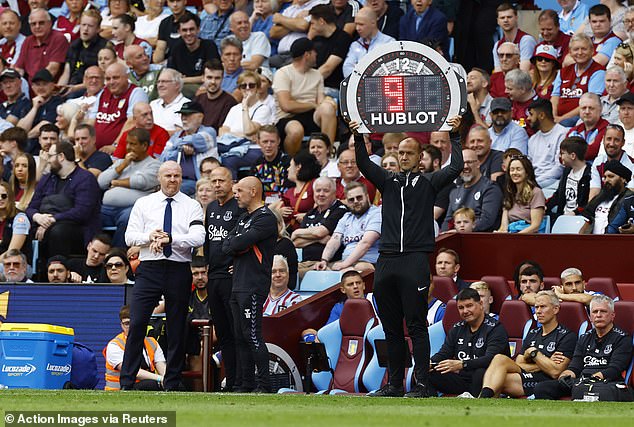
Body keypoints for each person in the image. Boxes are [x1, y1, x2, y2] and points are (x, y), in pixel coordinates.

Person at [352, 115, 463, 398]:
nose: (403, 157)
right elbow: (364, 164)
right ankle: (394, 385)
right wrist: (357, 137)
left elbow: (456, 167)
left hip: (414, 259)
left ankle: (422, 386)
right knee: (390, 326)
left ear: (420, 157)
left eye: (408, 153)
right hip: (387, 260)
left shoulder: (429, 182)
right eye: (399, 152)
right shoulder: (387, 181)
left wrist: (456, 136)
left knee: (416, 325)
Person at [121, 161, 205, 392]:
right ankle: (126, 382)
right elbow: (130, 237)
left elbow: (199, 236)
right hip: (149, 268)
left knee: (178, 326)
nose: (172, 179)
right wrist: (151, 236)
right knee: (137, 322)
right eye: (168, 175)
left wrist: (171, 239)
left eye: (177, 175)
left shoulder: (192, 205)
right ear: (159, 178)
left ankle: (172, 382)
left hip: (178, 268)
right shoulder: (144, 203)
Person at [222, 176, 277, 393]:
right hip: (238, 284)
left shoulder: (265, 218)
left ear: (253, 191)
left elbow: (237, 242)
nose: (235, 195)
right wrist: (238, 245)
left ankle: (265, 386)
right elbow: (227, 246)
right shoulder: (244, 218)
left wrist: (238, 244)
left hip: (253, 284)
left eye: (239, 191)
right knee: (239, 335)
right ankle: (246, 384)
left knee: (252, 334)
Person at [479, 290, 576, 398]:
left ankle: (483, 398)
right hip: (526, 375)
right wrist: (544, 362)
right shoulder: (533, 333)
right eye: (536, 307)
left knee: (497, 378)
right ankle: (485, 398)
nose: (538, 311)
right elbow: (519, 364)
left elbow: (555, 371)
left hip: (545, 381)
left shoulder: (567, 336)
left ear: (555, 309)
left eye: (543, 307)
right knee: (499, 359)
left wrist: (533, 353)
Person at [534, 295, 633, 400]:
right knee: (542, 388)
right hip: (581, 381)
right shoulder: (584, 338)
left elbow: (614, 370)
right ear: (590, 317)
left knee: (597, 390)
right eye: (595, 312)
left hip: (606, 382)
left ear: (612, 315)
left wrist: (591, 379)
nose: (598, 315)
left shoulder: (622, 338)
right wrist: (565, 376)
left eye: (603, 311)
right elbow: (575, 367)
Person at [26, 141, 101, 272]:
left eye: (50, 156)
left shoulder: (86, 178)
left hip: (77, 229)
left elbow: (82, 212)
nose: (48, 161)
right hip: (44, 224)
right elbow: (32, 206)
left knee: (58, 231)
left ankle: (59, 272)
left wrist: (52, 220)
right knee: (21, 227)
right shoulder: (47, 178)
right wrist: (38, 217)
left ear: (61, 156)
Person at [204, 166, 244, 391]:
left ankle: (241, 380)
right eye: (214, 181)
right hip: (214, 276)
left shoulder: (238, 207)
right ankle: (230, 380)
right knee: (224, 333)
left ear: (232, 182)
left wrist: (237, 265)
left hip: (231, 277)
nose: (217, 184)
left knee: (236, 330)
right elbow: (209, 242)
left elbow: (245, 239)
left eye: (222, 180)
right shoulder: (210, 207)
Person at [429, 288, 510, 398]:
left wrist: (462, 364)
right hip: (462, 379)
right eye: (461, 308)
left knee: (480, 372)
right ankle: (429, 399)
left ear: (481, 304)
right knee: (429, 371)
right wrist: (430, 362)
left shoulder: (495, 328)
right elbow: (444, 353)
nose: (465, 311)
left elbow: (491, 359)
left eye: (469, 306)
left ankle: (477, 401)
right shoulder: (457, 328)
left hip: (486, 379)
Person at [98, 128, 161, 248]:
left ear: (144, 146)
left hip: (132, 208)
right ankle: (95, 252)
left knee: (128, 218)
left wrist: (116, 182)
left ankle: (118, 254)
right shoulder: (121, 163)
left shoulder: (154, 165)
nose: (128, 147)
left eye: (133, 144)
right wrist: (123, 165)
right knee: (91, 214)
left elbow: (140, 181)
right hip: (107, 209)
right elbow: (101, 182)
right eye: (127, 143)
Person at [273, 37, 337, 155]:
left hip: (311, 116)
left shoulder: (317, 74)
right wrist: (312, 105)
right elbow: (286, 105)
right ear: (307, 54)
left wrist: (328, 102)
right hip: (288, 117)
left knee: (327, 108)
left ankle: (327, 154)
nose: (316, 54)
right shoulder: (283, 73)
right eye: (314, 52)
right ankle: (292, 161)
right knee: (296, 130)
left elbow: (321, 101)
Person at [313, 182, 381, 275]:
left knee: (357, 268)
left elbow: (366, 243)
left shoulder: (377, 213)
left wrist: (345, 264)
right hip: (347, 263)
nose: (356, 201)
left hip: (369, 262)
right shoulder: (346, 217)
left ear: (367, 196)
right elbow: (334, 240)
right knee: (320, 271)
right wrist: (324, 260)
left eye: (359, 197)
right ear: (347, 202)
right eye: (351, 199)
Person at [291, 176, 348, 277]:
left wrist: (299, 232)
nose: (321, 194)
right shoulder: (310, 213)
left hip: (327, 263)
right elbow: (296, 242)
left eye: (326, 191)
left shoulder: (340, 210)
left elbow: (320, 232)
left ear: (334, 193)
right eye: (318, 191)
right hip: (305, 263)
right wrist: (318, 239)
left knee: (291, 275)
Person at [160, 101, 218, 196]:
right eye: (182, 114)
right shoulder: (176, 136)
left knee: (174, 190)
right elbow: (163, 158)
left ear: (200, 117)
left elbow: (197, 140)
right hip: (176, 179)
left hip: (200, 181)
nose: (184, 118)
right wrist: (181, 151)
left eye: (188, 114)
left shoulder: (209, 132)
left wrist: (177, 145)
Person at [105, 305, 166, 391]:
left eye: (133, 322)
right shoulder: (115, 345)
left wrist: (167, 379)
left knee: (176, 384)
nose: (130, 327)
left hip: (145, 385)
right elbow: (132, 371)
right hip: (117, 391)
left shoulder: (152, 342)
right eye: (126, 324)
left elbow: (161, 366)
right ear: (121, 325)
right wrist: (160, 379)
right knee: (152, 384)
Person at [441, 148, 503, 232]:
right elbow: (447, 221)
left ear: (478, 164)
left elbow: (487, 220)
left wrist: (461, 231)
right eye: (462, 163)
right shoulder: (454, 192)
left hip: (481, 239)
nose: (465, 166)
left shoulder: (490, 188)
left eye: (469, 162)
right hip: (457, 239)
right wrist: (446, 233)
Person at [167, 12, 220, 96]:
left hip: (205, 88)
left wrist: (184, 80)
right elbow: (171, 75)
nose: (188, 33)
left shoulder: (209, 46)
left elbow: (212, 75)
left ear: (198, 29)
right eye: (184, 30)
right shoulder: (176, 48)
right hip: (181, 87)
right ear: (179, 32)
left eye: (191, 29)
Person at [14, 8, 69, 84]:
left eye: (41, 23)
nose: (37, 26)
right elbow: (19, 69)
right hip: (30, 88)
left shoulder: (58, 38)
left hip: (49, 88)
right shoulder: (28, 41)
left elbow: (53, 69)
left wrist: (37, 85)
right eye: (33, 24)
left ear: (50, 23)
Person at [581, 160, 633, 234]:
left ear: (623, 179)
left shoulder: (630, 198)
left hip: (614, 243)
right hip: (592, 242)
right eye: (604, 177)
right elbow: (587, 223)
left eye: (611, 176)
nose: (606, 180)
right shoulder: (599, 198)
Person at [546, 136, 591, 221]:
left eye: (562, 153)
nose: (560, 156)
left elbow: (588, 203)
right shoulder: (567, 171)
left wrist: (575, 212)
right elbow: (558, 194)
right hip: (563, 216)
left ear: (573, 156)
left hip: (578, 219)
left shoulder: (589, 175)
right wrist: (545, 206)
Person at [497, 155, 546, 234]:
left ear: (527, 172)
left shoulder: (536, 192)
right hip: (512, 234)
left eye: (518, 169)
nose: (514, 173)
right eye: (512, 170)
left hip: (529, 236)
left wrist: (516, 237)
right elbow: (503, 227)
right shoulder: (510, 192)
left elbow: (535, 225)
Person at [526, 98, 568, 189]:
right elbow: (529, 165)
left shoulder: (562, 134)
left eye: (531, 114)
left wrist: (536, 183)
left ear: (541, 115)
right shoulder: (532, 139)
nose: (528, 118)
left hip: (553, 181)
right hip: (534, 181)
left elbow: (560, 168)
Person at [59, 8, 107, 88]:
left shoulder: (104, 47)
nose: (86, 29)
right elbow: (66, 73)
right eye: (83, 25)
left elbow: (103, 78)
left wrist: (74, 89)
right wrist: (58, 90)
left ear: (98, 29)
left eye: (90, 26)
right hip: (72, 87)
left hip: (91, 89)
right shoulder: (74, 46)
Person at [277, 150, 321, 231]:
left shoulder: (315, 184)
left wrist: (308, 216)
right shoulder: (289, 192)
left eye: (290, 166)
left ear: (298, 167)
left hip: (309, 232)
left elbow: (323, 209)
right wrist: (280, 213)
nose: (288, 169)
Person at [194, 59, 238, 132]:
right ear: (203, 78)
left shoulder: (230, 102)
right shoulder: (198, 99)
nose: (213, 82)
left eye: (217, 78)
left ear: (222, 79)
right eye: (209, 77)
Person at [492, 3, 536, 73]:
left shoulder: (526, 40)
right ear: (498, 21)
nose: (506, 20)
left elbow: (524, 73)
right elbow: (498, 73)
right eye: (502, 18)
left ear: (516, 18)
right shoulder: (497, 45)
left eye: (509, 17)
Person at [566, 93, 609, 162]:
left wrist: (570, 154)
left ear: (600, 110)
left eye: (591, 108)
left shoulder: (607, 129)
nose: (587, 112)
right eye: (583, 108)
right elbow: (563, 154)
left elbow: (592, 152)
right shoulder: (574, 130)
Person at [186, 256, 211, 371]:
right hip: (191, 342)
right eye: (195, 274)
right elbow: (156, 312)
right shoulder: (186, 297)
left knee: (198, 350)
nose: (200, 277)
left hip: (215, 342)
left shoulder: (217, 296)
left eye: (203, 273)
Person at [0, 181, 30, 261]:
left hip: (16, 264)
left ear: (10, 197)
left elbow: (12, 253)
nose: (0, 199)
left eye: (3, 196)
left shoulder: (20, 218)